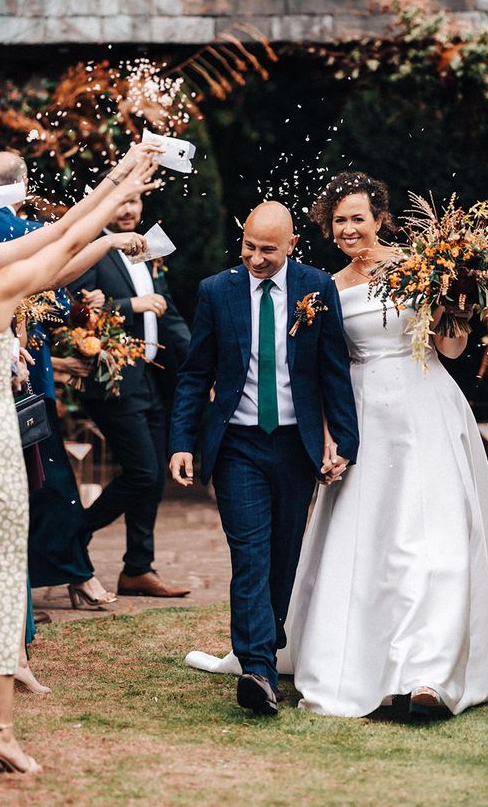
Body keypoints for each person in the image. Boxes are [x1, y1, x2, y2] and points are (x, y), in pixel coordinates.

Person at [184, 174, 488, 719]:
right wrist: (331, 434)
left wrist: (458, 298)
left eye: (358, 217)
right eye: (338, 219)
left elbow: (451, 348)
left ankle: (431, 672)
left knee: (433, 541)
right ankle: (356, 659)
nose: (349, 228)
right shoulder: (322, 288)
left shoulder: (422, 266)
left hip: (424, 408)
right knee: (371, 544)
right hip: (360, 415)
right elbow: (322, 369)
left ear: (380, 217)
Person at [0, 151, 157, 776]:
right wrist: (117, 190)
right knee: (0, 583)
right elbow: (62, 242)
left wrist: (113, 198)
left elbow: (62, 238)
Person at [170, 201, 359, 716]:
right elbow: (194, 373)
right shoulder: (216, 290)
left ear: (292, 245)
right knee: (249, 554)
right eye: (249, 246)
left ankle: (269, 639)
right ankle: (257, 667)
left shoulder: (316, 287)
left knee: (284, 553)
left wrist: (344, 440)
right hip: (237, 444)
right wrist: (183, 441)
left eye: (268, 250)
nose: (255, 258)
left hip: (296, 445)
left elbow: (333, 369)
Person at [0, 150, 124, 609]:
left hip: (3, 376)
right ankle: (74, 575)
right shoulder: (18, 231)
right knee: (51, 483)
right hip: (21, 382)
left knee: (37, 484)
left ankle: (51, 579)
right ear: (22, 182)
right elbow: (57, 285)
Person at [71, 188, 191, 599]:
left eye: (134, 202)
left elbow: (169, 313)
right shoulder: (92, 249)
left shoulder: (147, 248)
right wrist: (131, 305)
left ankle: (138, 568)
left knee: (153, 477)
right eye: (121, 202)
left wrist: (200, 367)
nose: (128, 210)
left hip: (153, 380)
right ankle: (70, 537)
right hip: (114, 381)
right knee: (143, 475)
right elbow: (75, 308)